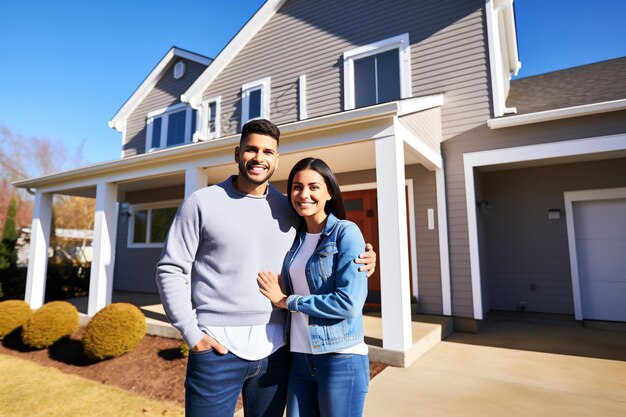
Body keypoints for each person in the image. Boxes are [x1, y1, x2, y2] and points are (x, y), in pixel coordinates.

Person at [156, 119, 376, 417]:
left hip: (278, 350)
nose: (259, 158)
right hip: (217, 348)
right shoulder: (202, 202)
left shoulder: (290, 207)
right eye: (252, 150)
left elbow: (322, 250)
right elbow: (171, 268)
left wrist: (363, 262)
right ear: (237, 153)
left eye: (268, 152)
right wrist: (192, 335)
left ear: (276, 159)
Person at [257, 157, 369, 417]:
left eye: (313, 187)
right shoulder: (293, 238)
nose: (304, 194)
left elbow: (349, 303)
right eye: (297, 187)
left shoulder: (346, 232)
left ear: (329, 192)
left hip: (340, 357)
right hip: (299, 358)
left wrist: (287, 301)